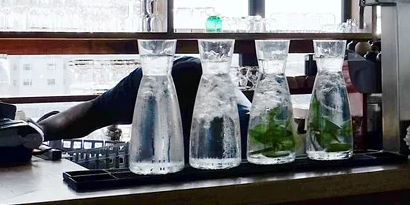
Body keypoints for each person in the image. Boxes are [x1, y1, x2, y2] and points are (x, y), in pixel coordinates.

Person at [39, 57, 251, 147]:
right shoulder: (145, 78)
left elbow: (91, 114)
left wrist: (40, 131)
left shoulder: (190, 76)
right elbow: (92, 113)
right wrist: (39, 131)